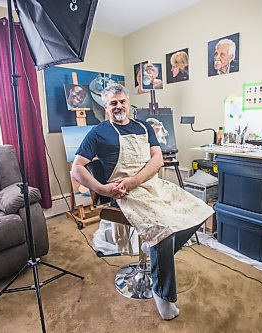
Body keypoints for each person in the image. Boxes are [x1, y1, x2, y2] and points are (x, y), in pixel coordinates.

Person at [71, 84, 213, 320]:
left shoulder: (144, 127)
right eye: (113, 103)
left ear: (128, 103)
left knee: (199, 209)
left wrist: (136, 179)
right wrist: (103, 188)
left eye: (122, 101)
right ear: (106, 107)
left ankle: (154, 250)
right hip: (125, 194)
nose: (119, 106)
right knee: (163, 230)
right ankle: (164, 298)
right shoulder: (98, 133)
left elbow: (157, 160)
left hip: (151, 185)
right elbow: (77, 169)